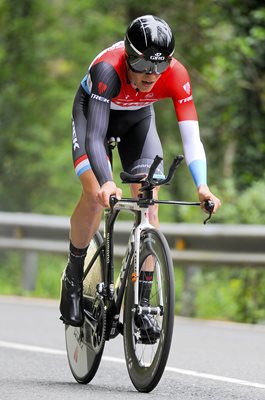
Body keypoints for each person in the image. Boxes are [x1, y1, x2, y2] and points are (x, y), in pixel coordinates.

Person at [60, 15, 221, 327]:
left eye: (159, 67)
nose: (152, 75)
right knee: (95, 196)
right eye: (144, 66)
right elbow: (95, 135)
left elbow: (191, 136)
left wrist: (202, 186)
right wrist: (106, 182)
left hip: (138, 120)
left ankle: (143, 305)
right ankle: (74, 279)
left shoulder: (176, 75)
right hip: (94, 114)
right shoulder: (107, 68)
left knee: (150, 208)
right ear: (128, 57)